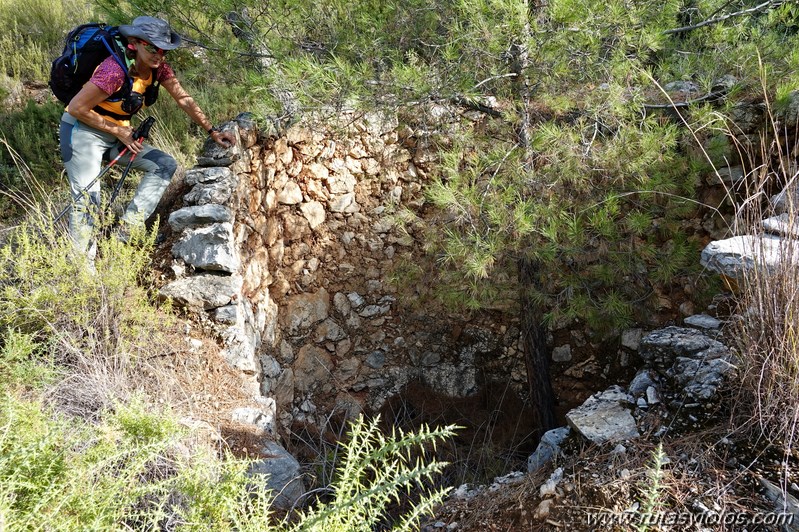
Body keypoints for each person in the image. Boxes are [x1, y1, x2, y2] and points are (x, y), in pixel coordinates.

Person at [60, 15, 236, 261]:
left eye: (163, 50)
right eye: (152, 47)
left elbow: (183, 99)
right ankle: (82, 268)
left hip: (120, 135)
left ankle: (124, 233)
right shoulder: (113, 71)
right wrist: (118, 131)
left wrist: (212, 130)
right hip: (82, 132)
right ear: (134, 43)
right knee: (87, 199)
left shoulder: (159, 69)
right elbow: (78, 108)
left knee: (164, 165)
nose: (158, 54)